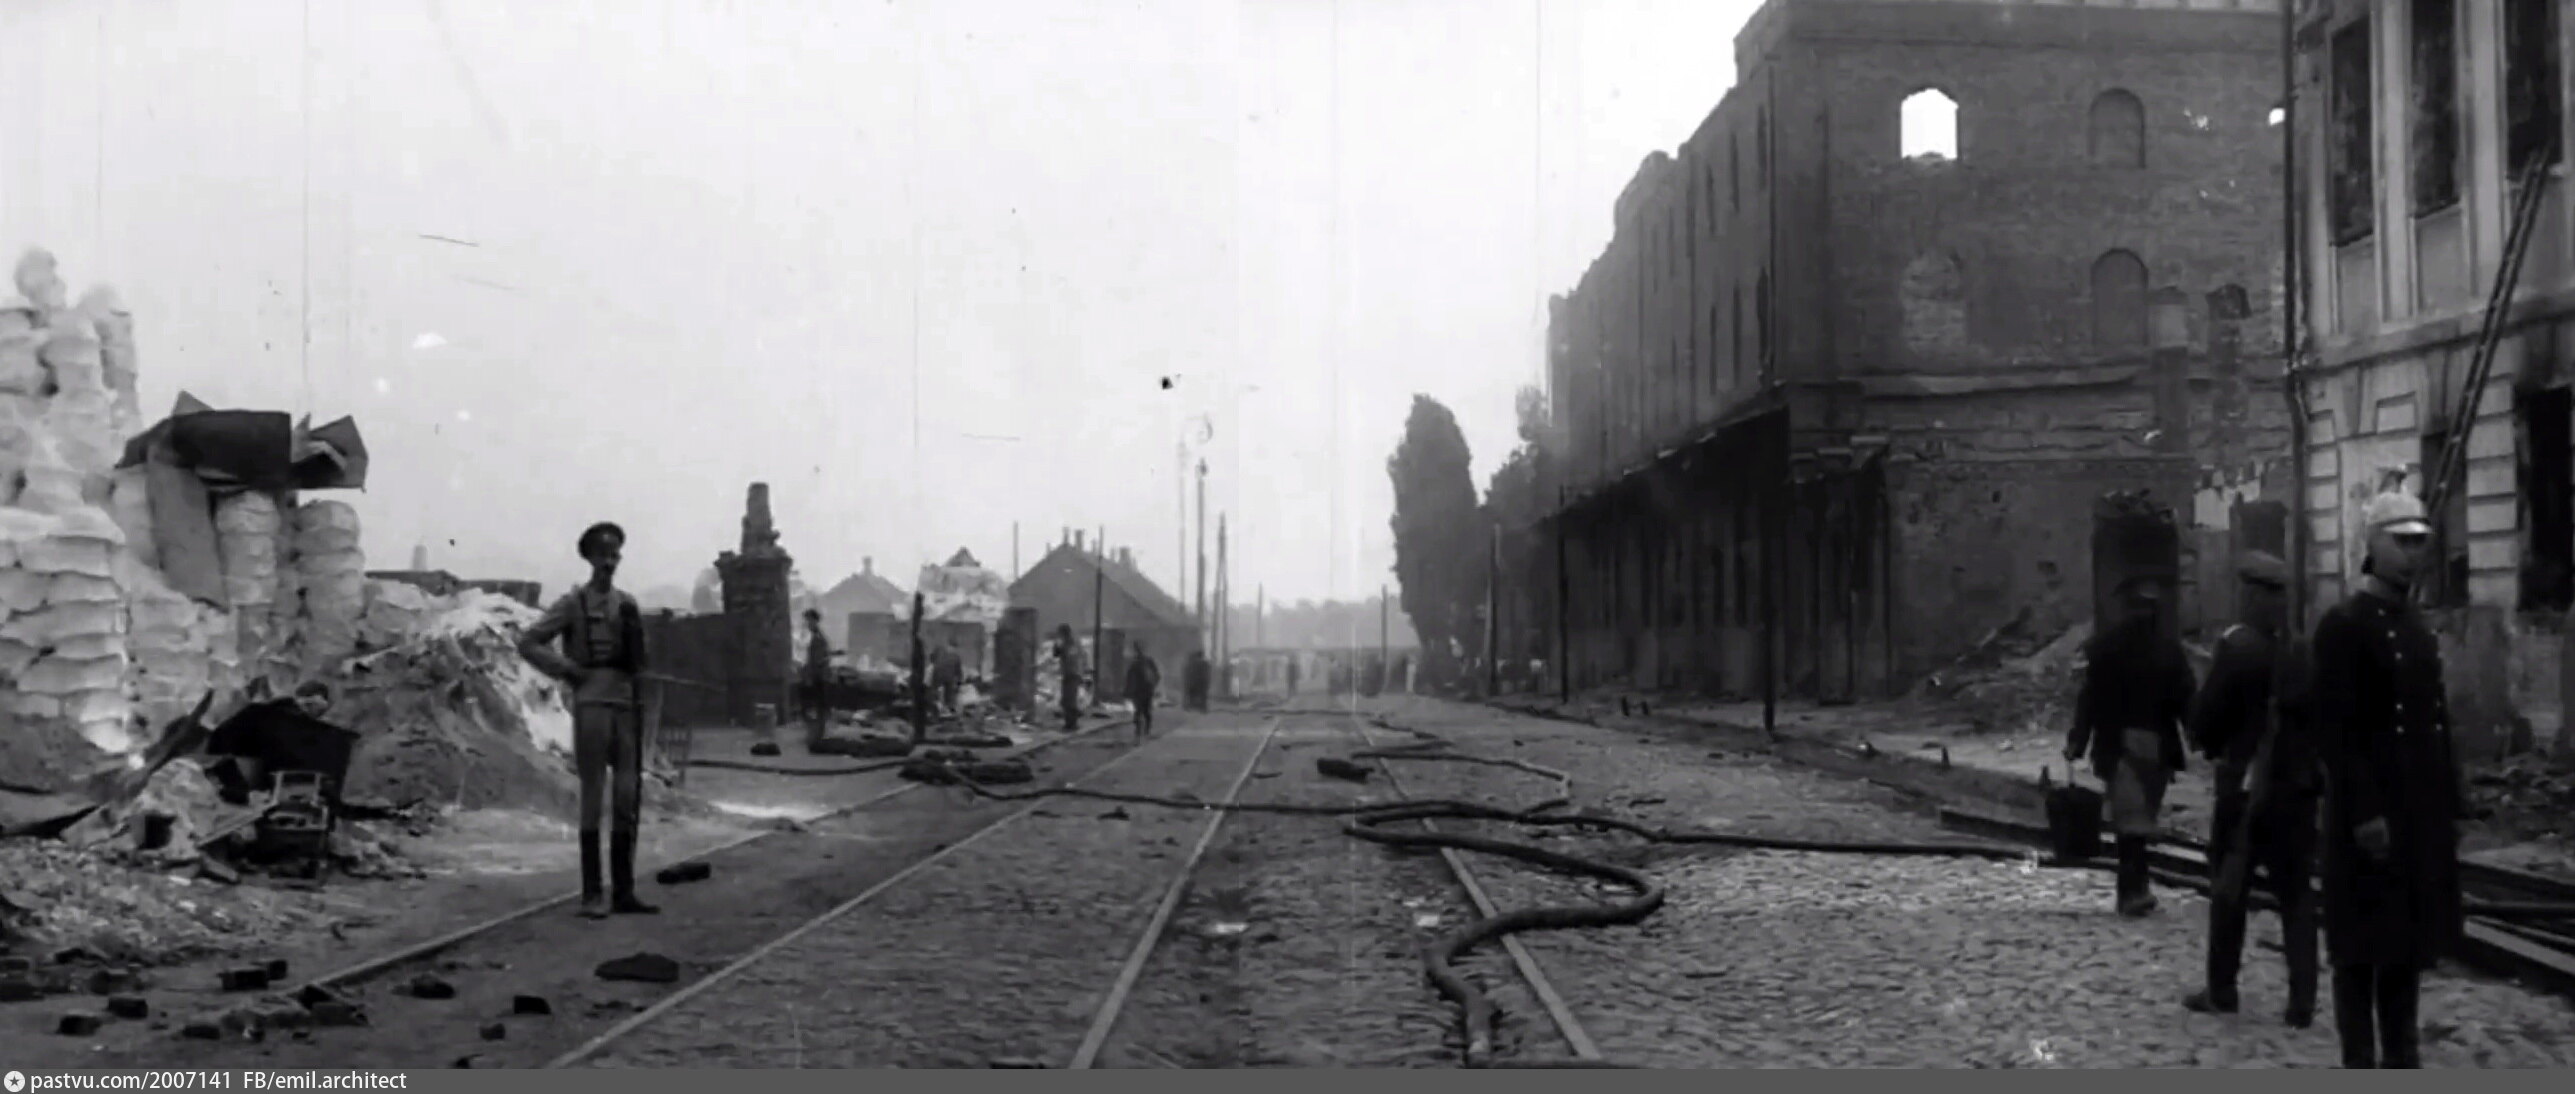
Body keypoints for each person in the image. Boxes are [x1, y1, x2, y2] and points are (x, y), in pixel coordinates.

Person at [2312, 489, 2463, 1068]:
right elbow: (2337, 729)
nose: (2412, 555)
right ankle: (2359, 1062)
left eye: (2420, 543)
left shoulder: (2417, 628)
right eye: (2401, 542)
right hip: (2366, 820)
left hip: (2415, 814)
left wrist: (2450, 799)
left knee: (2405, 950)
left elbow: (2434, 719)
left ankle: (2402, 1059)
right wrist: (2363, 812)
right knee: (2358, 953)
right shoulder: (2344, 625)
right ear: (2372, 545)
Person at [2182, 550, 2320, 1027]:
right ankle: (2302, 1000)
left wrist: (2206, 738)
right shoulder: (2302, 652)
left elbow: (2208, 719)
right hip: (2295, 789)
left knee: (2229, 888)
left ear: (2254, 596)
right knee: (2297, 895)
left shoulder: (2238, 648)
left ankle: (2222, 990)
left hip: (2246, 791)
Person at [519, 522, 659, 919]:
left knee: (627, 796)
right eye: (602, 556)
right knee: (594, 795)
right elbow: (528, 641)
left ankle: (624, 892)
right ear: (590, 559)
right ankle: (592, 894)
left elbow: (640, 660)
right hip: (592, 701)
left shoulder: (627, 603)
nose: (609, 563)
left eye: (615, 555)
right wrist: (568, 670)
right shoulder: (573, 603)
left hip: (626, 703)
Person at [2065, 576, 2195, 916]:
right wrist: (2078, 739)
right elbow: (2091, 698)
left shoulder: (2161, 651)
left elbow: (2184, 697)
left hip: (2151, 746)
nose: (2143, 614)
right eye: (2139, 607)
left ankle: (2137, 886)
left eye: (2147, 608)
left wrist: (2197, 733)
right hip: (2124, 745)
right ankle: (2131, 891)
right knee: (2132, 821)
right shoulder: (2112, 650)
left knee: (2140, 819)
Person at [799, 608, 834, 752]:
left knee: (817, 708)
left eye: (809, 620)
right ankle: (817, 736)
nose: (807, 624)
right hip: (818, 676)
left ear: (814, 621)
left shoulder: (819, 639)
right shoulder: (817, 637)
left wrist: (808, 673)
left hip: (818, 677)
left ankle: (817, 737)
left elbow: (819, 660)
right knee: (817, 708)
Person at [1124, 640, 1162, 741]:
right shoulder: (1147, 662)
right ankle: (1145, 730)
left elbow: (1129, 679)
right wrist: (1153, 685)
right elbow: (1157, 676)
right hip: (1146, 690)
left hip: (1139, 691)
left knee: (1139, 711)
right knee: (1145, 711)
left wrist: (1127, 691)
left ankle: (1139, 731)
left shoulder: (1134, 663)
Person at [1055, 625, 1085, 732]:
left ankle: (1072, 724)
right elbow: (1056, 654)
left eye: (1061, 634)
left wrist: (1059, 646)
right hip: (1069, 674)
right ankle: (1069, 723)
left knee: (1070, 700)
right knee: (1066, 700)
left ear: (1065, 633)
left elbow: (1069, 657)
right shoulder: (1068, 644)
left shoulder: (1071, 644)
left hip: (1072, 675)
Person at [933, 638, 965, 713]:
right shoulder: (956, 657)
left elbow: (936, 667)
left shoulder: (943, 655)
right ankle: (949, 709)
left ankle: (943, 709)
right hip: (947, 681)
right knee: (949, 697)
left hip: (939, 680)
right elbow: (959, 673)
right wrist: (959, 684)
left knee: (942, 696)